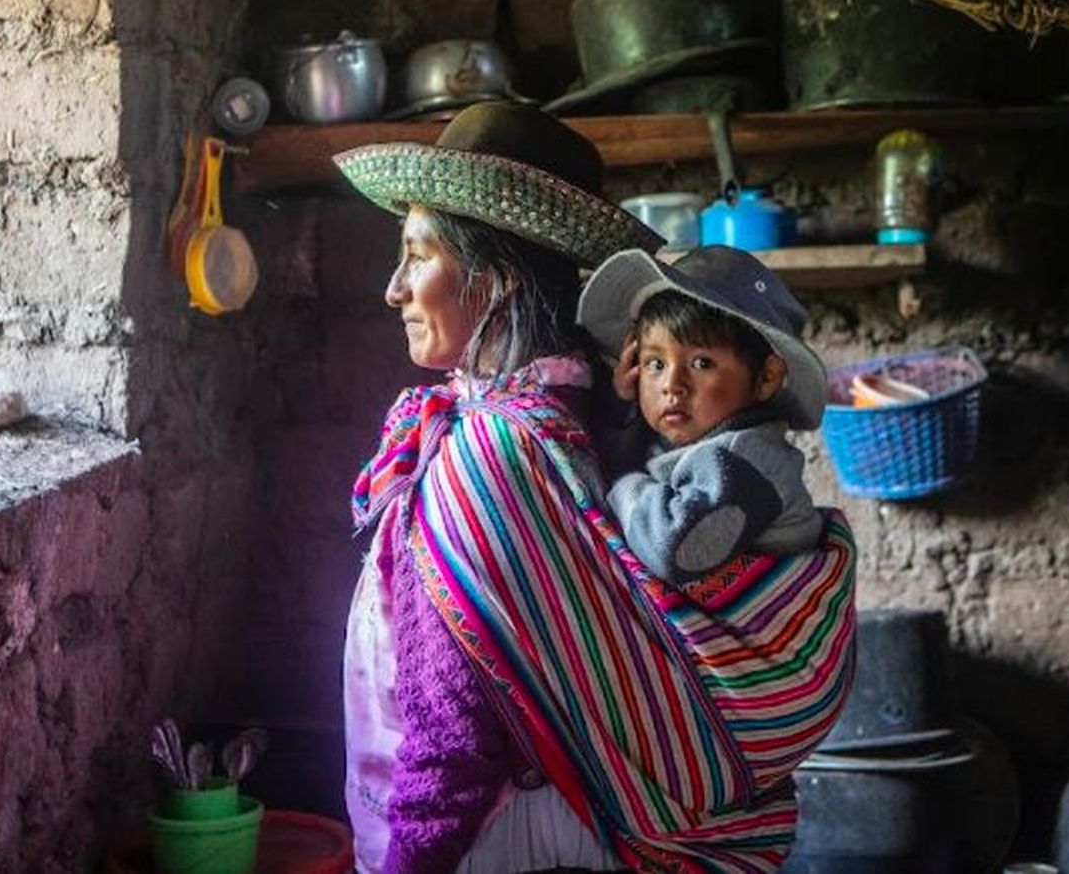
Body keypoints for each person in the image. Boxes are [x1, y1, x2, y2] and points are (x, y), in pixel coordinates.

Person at [335, 102, 857, 874]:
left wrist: (406, 862)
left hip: (497, 841)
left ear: (499, 280)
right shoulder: (585, 418)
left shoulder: (493, 454)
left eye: (418, 256)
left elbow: (454, 731)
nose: (395, 288)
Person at [576, 246, 826, 586]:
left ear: (766, 378)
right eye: (655, 364)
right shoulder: (698, 437)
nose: (671, 385)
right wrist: (622, 402)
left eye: (701, 363)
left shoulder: (746, 455)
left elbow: (673, 549)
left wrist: (620, 483)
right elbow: (635, 451)